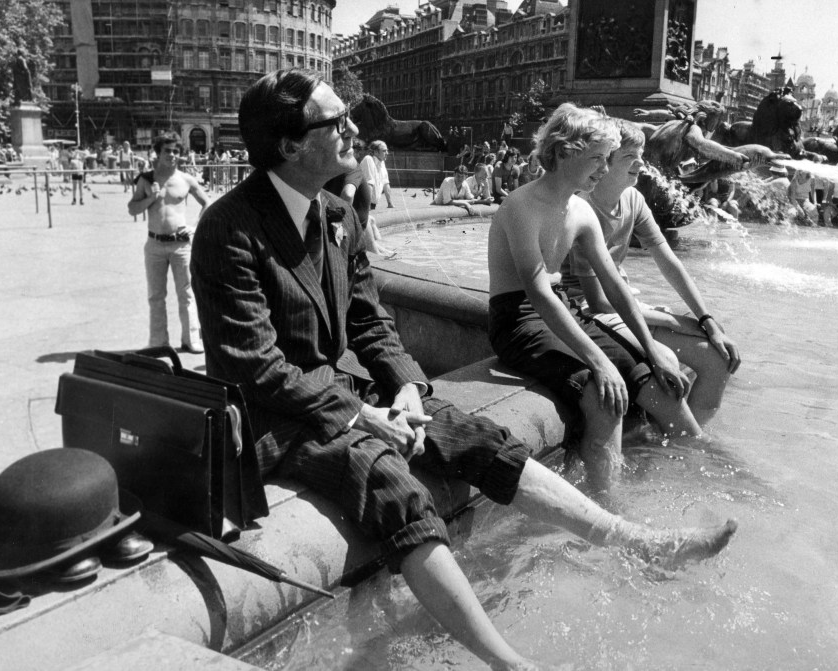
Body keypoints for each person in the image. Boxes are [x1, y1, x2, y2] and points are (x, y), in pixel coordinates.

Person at [191, 70, 736, 671]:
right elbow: (256, 366)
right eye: (335, 122)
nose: (353, 129)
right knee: (387, 478)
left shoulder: (335, 214)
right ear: (291, 146)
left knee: (477, 437)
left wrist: (408, 389)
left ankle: (635, 542)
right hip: (271, 417)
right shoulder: (228, 229)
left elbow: (371, 324)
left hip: (337, 392)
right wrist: (363, 415)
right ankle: (509, 664)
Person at [488, 104, 704, 488]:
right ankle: (610, 509)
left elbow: (615, 286)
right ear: (565, 150)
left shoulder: (580, 211)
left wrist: (650, 349)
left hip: (563, 311)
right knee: (604, 395)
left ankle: (701, 465)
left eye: (608, 159)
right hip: (518, 320)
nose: (605, 169)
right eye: (598, 159)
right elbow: (538, 293)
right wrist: (600, 361)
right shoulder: (521, 206)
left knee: (657, 382)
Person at [563, 118, 741, 433]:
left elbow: (669, 261)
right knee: (670, 363)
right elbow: (599, 303)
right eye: (631, 157)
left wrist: (706, 320)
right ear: (606, 161)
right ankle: (683, 438)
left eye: (642, 155)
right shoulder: (581, 208)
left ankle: (675, 444)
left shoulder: (634, 199)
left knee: (717, 358)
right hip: (591, 312)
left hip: (625, 305)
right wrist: (671, 320)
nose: (642, 164)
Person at [127, 131, 210, 353]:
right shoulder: (147, 180)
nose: (171, 155)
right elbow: (132, 208)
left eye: (175, 151)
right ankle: (158, 342)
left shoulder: (186, 179)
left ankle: (191, 339)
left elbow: (207, 203)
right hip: (154, 244)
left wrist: (195, 228)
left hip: (181, 244)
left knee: (187, 293)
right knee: (156, 295)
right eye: (167, 151)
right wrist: (151, 198)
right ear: (158, 152)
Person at [360, 140, 394, 209]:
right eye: (384, 151)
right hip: (363, 204)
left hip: (372, 205)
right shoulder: (368, 159)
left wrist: (390, 203)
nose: (387, 153)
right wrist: (367, 206)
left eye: (387, 150)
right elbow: (369, 183)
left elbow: (386, 183)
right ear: (375, 152)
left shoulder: (382, 163)